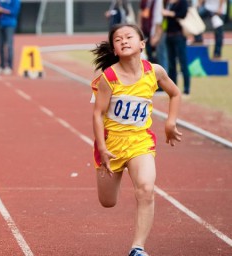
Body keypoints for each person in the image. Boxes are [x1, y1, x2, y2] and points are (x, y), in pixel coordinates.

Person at [90, 24, 182, 256]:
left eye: (129, 37)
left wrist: (170, 122)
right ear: (114, 49)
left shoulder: (155, 71)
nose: (123, 41)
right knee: (107, 202)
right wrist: (102, 148)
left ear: (141, 44)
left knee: (146, 189)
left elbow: (175, 93)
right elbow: (98, 114)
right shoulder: (108, 78)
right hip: (111, 145)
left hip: (140, 141)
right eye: (118, 39)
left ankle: (137, 248)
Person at [163, 0, 190, 95]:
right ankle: (173, 89)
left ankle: (186, 89)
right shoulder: (168, 3)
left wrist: (169, 13)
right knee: (171, 64)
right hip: (169, 35)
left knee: (183, 62)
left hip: (179, 36)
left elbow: (182, 14)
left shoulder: (182, 2)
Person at [0, 0, 20, 75]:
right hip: (0, 24)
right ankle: (1, 66)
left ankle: (9, 66)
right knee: (0, 46)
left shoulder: (15, 1)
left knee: (9, 46)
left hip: (10, 24)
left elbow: (14, 12)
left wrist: (2, 10)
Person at [139, 0, 168, 72]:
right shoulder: (144, 2)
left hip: (157, 32)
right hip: (146, 31)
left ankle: (163, 76)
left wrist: (156, 35)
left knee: (160, 56)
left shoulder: (159, 2)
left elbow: (159, 19)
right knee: (150, 55)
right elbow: (141, 13)